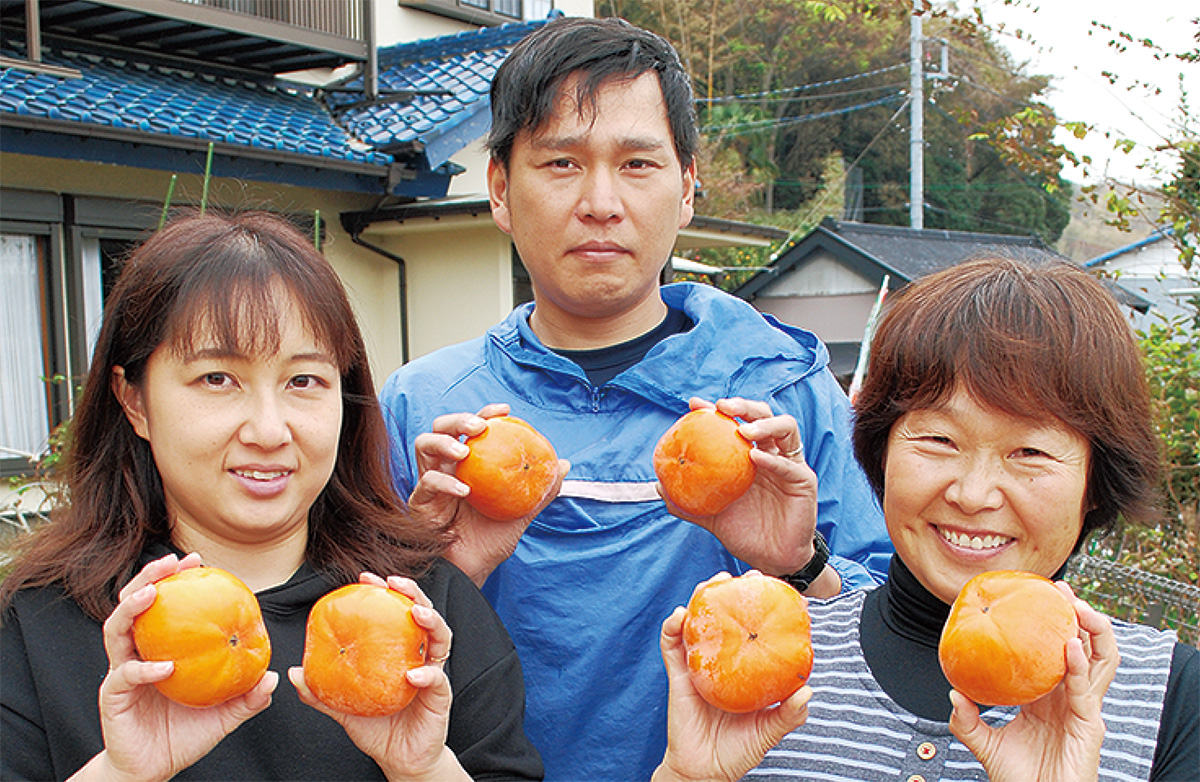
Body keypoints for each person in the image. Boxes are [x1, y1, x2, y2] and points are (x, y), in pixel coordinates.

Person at [377, 15, 893, 781]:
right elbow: (355, 647)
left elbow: (888, 633)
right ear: (499, 190)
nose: (600, 201)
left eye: (638, 164)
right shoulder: (428, 410)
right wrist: (434, 573)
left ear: (686, 188)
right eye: (560, 163)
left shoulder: (779, 391)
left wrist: (800, 564)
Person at [0, 211, 543, 781]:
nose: (268, 429)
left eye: (304, 380)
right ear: (134, 401)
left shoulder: (427, 613)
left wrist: (424, 769)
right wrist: (122, 773)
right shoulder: (43, 622)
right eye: (217, 379)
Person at [652, 256, 1200, 782]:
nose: (973, 494)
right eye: (940, 439)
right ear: (880, 452)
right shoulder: (752, 658)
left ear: (1096, 483)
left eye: (1029, 452)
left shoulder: (1172, 701)